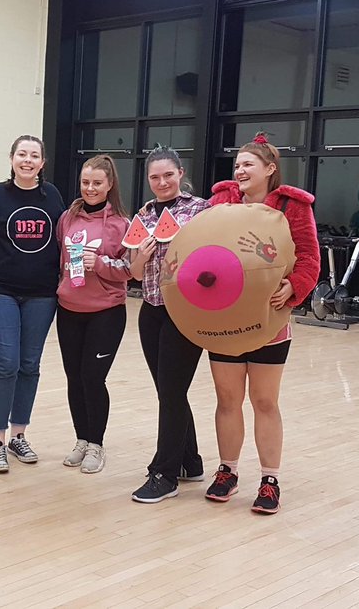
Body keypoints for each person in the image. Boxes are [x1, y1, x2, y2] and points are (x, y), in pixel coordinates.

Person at [203, 133, 320, 515]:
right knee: (227, 398)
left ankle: (270, 480)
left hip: (271, 318)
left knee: (265, 401)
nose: (239, 170)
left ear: (270, 169)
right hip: (224, 317)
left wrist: (294, 286)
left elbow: (309, 258)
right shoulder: (220, 201)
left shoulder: (293, 206)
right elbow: (202, 247)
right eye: (236, 165)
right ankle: (228, 471)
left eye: (247, 164)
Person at [128, 147, 212, 503]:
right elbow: (133, 272)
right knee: (168, 390)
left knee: (172, 392)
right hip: (151, 309)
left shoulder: (203, 210)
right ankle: (189, 462)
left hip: (186, 312)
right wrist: (142, 257)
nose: (161, 182)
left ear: (181, 173)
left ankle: (164, 473)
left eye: (168, 175)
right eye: (154, 177)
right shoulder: (143, 215)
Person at [0, 135, 65, 472]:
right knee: (5, 363)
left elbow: (67, 236)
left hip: (42, 294)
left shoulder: (53, 195)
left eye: (34, 156)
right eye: (21, 154)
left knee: (29, 364)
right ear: (12, 158)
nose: (27, 160)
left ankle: (18, 435)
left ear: (42, 162)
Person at [55, 155, 132, 475]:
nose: (90, 188)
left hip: (106, 313)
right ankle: (82, 439)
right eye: (85, 182)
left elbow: (130, 270)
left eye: (97, 183)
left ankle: (97, 444)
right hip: (68, 310)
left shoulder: (121, 224)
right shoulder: (66, 218)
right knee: (74, 378)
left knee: (92, 377)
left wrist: (98, 263)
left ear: (110, 185)